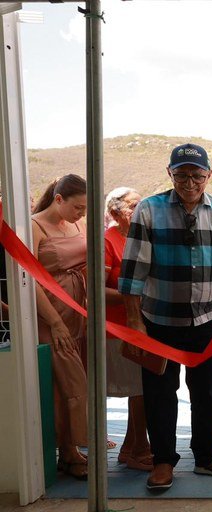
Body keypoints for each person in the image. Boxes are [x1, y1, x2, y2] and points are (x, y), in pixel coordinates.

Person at [119, 143, 212, 490]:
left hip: (207, 321)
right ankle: (164, 461)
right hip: (158, 322)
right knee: (160, 395)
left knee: (208, 393)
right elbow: (132, 272)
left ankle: (207, 455)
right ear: (170, 174)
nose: (190, 182)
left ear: (209, 175)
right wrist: (135, 321)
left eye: (197, 175)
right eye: (181, 174)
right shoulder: (149, 210)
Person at [31, 174, 89, 479]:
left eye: (85, 209)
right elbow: (29, 279)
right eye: (77, 207)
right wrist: (53, 322)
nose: (81, 214)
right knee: (68, 384)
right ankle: (67, 452)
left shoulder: (77, 224)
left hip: (78, 311)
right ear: (58, 199)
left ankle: (71, 449)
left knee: (76, 380)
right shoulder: (34, 226)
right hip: (51, 316)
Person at [104, 186, 152, 472]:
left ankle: (130, 448)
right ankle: (139, 449)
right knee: (140, 389)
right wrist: (137, 294)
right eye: (134, 206)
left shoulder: (138, 239)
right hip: (120, 328)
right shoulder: (107, 242)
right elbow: (96, 291)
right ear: (114, 213)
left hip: (143, 325)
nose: (141, 210)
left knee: (143, 388)